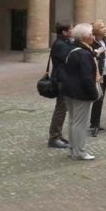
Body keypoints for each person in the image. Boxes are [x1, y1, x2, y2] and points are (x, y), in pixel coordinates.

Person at [60, 23, 101, 161]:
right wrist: (94, 94)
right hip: (80, 93)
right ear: (84, 37)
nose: (93, 37)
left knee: (73, 121)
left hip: (69, 91)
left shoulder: (72, 49)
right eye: (90, 35)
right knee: (80, 123)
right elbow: (86, 77)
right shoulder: (84, 54)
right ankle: (80, 151)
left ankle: (73, 148)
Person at [47, 21, 74, 149]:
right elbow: (70, 59)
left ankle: (58, 135)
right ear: (64, 32)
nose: (73, 31)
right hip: (61, 80)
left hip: (64, 79)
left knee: (62, 109)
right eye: (71, 29)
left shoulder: (65, 43)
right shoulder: (61, 45)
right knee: (60, 109)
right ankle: (54, 137)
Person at [89, 20, 106, 137]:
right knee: (97, 98)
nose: (105, 28)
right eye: (102, 27)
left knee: (101, 98)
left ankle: (96, 122)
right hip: (98, 73)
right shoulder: (92, 42)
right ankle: (94, 124)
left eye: (104, 26)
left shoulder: (105, 40)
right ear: (96, 31)